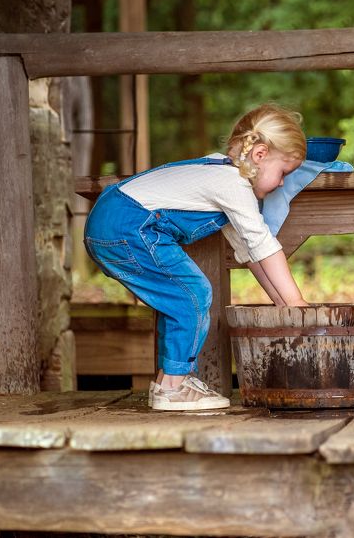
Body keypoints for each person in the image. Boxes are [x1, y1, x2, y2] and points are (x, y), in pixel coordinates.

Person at [84, 103, 309, 411]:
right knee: (194, 293)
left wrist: (281, 304)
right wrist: (296, 303)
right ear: (259, 155)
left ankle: (167, 381)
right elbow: (265, 245)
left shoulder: (222, 172)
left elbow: (251, 254)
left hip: (112, 218)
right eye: (283, 172)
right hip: (126, 223)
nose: (282, 183)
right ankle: (173, 387)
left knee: (178, 299)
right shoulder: (233, 184)